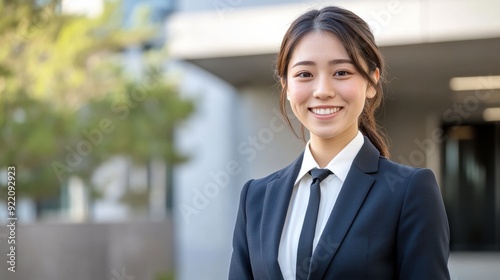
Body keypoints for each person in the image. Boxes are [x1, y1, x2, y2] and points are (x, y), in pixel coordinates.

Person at [229, 5, 450, 280]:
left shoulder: (409, 192)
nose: (323, 91)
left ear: (371, 82)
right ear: (286, 86)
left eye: (342, 72)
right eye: (305, 74)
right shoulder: (256, 198)